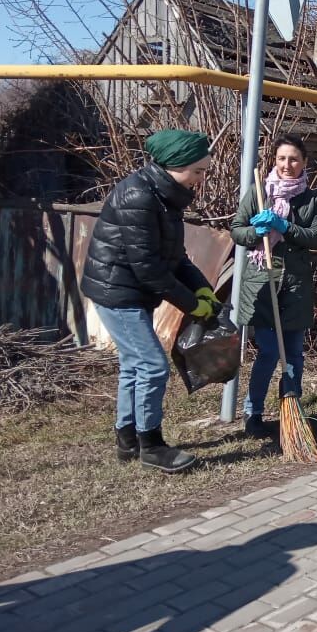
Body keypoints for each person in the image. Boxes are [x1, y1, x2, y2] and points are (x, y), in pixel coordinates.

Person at [81, 129, 217, 474]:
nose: (201, 179)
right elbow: (149, 270)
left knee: (134, 365)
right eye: (198, 171)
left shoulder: (164, 195)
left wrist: (202, 289)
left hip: (133, 289)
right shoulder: (138, 196)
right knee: (153, 365)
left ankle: (127, 440)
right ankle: (151, 446)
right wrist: (192, 305)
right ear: (175, 165)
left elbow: (177, 257)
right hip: (118, 292)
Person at [230, 134, 317, 439]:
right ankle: (253, 412)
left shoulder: (311, 199)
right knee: (269, 353)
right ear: (274, 160)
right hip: (262, 282)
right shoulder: (259, 192)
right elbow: (237, 230)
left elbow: (316, 236)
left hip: (295, 287)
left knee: (294, 354)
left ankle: (290, 412)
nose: (287, 165)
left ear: (304, 163)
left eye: (294, 159)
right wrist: (255, 233)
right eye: (282, 158)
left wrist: (285, 227)